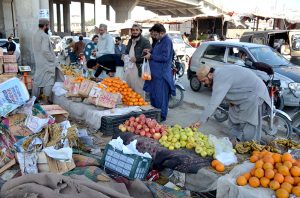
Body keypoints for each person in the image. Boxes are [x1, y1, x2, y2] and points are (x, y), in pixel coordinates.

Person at [190, 65, 271, 143]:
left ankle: (248, 145)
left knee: (248, 123)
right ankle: (234, 140)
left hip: (254, 95)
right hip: (245, 94)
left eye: (204, 81)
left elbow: (213, 103)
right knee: (233, 118)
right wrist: (231, 100)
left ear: (210, 75)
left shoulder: (220, 78)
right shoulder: (218, 73)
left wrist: (200, 121)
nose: (204, 84)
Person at [144, 23, 176, 122]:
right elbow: (157, 53)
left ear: (161, 32)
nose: (154, 36)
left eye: (155, 34)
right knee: (154, 96)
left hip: (161, 75)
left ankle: (161, 116)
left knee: (161, 98)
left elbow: (165, 57)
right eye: (152, 35)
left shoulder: (167, 41)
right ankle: (155, 114)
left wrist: (151, 56)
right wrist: (150, 51)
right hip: (155, 75)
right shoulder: (159, 41)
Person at [32, 18, 57, 104]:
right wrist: (52, 59)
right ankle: (46, 101)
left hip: (39, 62)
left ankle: (33, 100)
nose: (48, 27)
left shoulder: (35, 34)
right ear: (45, 26)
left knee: (37, 80)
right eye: (48, 25)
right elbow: (45, 50)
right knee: (49, 81)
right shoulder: (44, 36)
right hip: (47, 63)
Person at [124, 24, 151, 96]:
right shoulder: (130, 41)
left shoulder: (145, 41)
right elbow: (127, 51)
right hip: (129, 68)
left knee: (139, 90)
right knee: (129, 89)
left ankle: (140, 106)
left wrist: (137, 58)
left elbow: (148, 54)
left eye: (137, 30)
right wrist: (123, 55)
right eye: (133, 30)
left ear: (140, 31)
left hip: (139, 68)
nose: (134, 32)